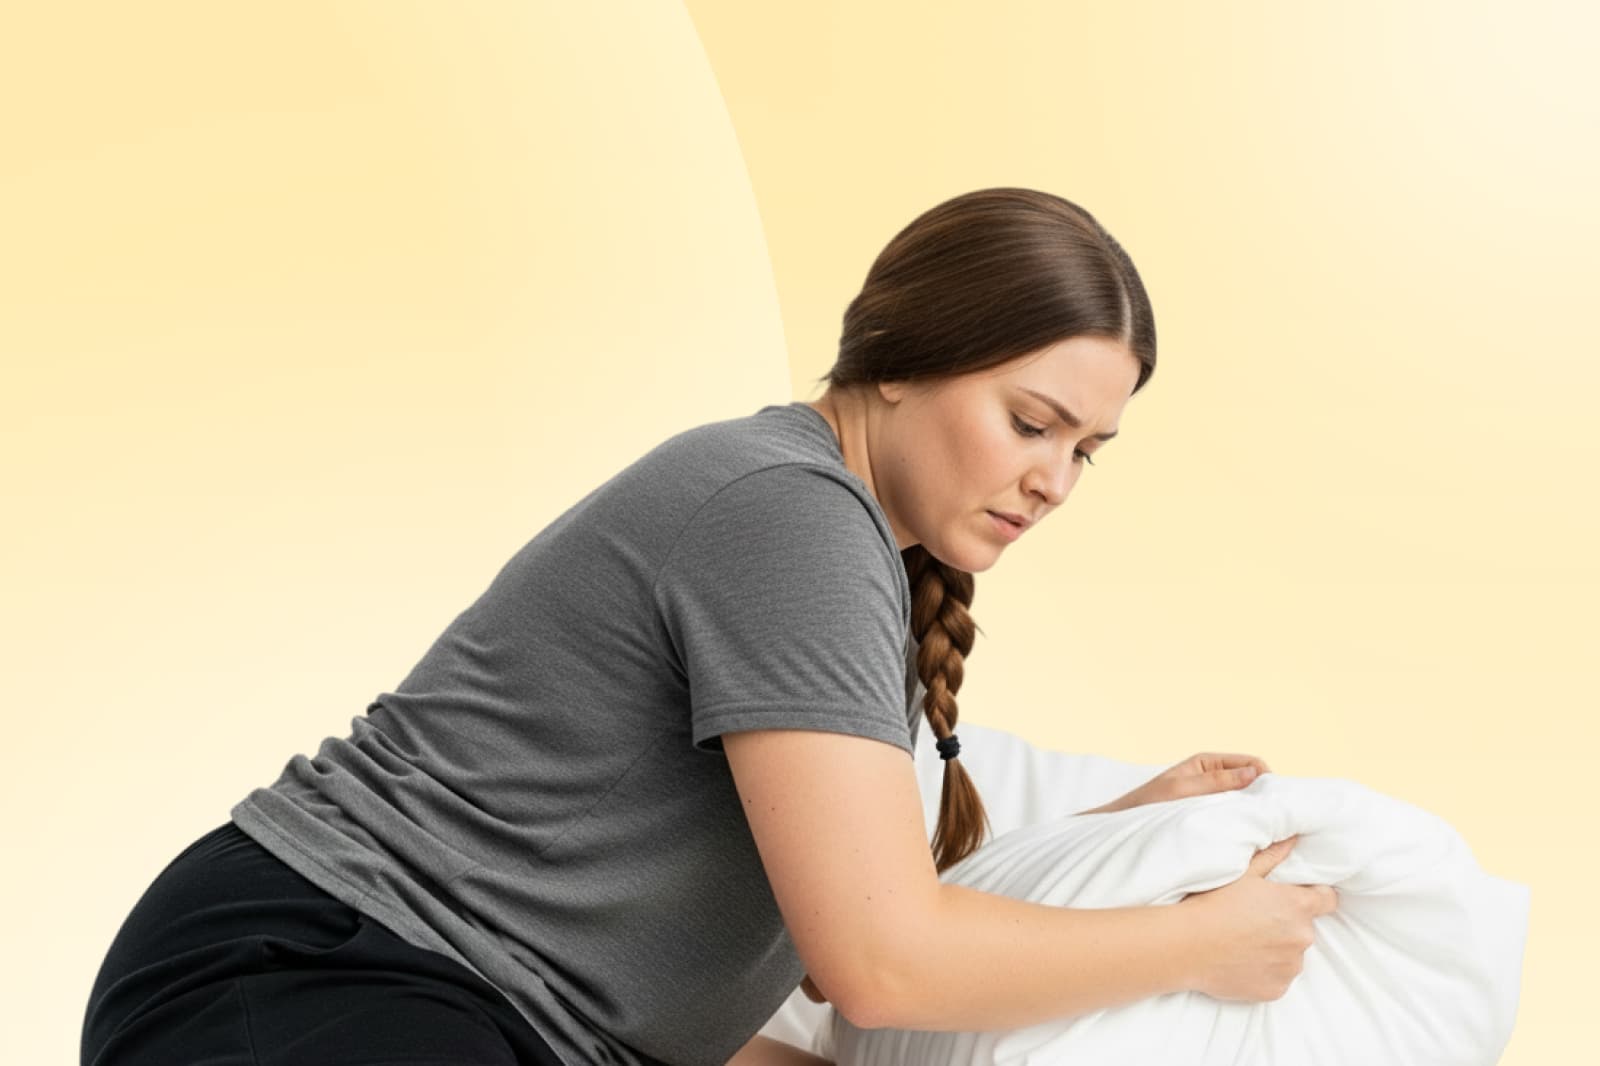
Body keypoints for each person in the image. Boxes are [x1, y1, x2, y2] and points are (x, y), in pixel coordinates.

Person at [81, 187, 1337, 1066]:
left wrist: (1113, 846)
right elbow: (884, 962)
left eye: (1087, 451)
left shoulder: (847, 558)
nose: (1053, 481)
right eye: (1029, 422)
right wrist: (1198, 941)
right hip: (333, 972)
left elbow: (842, 922)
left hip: (498, 1015)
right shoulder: (787, 515)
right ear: (900, 362)